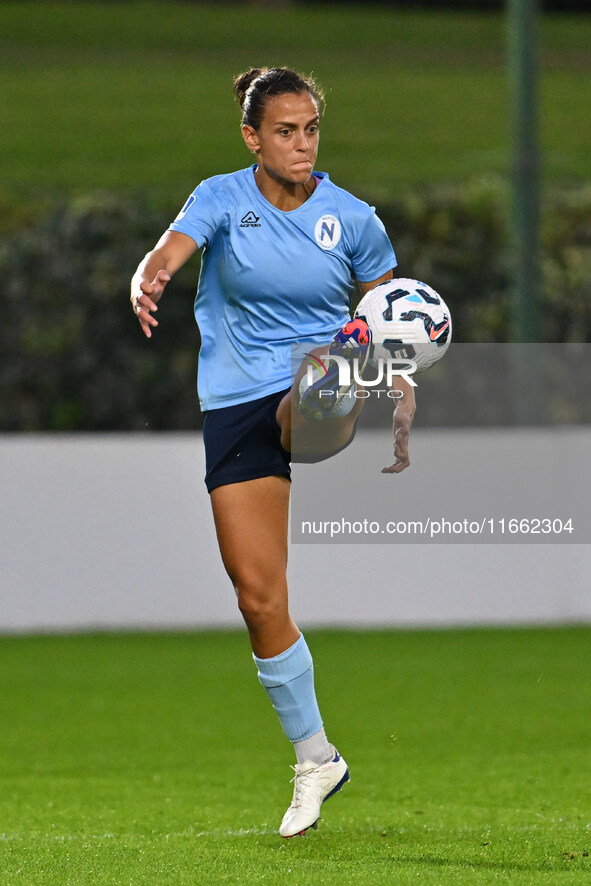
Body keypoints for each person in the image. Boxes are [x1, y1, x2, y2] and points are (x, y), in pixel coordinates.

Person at [130, 67, 415, 838]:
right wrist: (149, 278)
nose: (300, 143)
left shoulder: (352, 218)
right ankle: (315, 757)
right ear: (252, 137)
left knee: (317, 379)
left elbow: (390, 309)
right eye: (284, 131)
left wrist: (384, 362)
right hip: (232, 402)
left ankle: (324, 382)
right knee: (257, 598)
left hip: (316, 388)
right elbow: (168, 251)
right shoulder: (221, 196)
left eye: (310, 129)